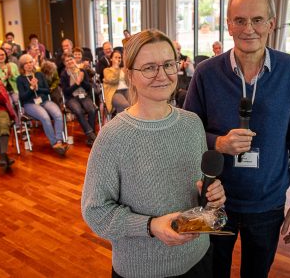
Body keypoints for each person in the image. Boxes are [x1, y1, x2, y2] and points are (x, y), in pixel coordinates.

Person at [184, 0, 290, 278]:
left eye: (257, 20)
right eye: (240, 20)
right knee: (214, 273)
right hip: (216, 199)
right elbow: (186, 135)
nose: (248, 28)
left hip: (267, 203)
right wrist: (219, 143)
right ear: (228, 25)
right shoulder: (206, 73)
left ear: (271, 23)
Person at [81, 29, 226, 278]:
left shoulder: (192, 123)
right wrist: (149, 226)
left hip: (198, 257)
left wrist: (212, 195)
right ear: (131, 75)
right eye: (149, 67)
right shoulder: (113, 136)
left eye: (169, 64)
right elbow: (95, 212)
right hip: (142, 269)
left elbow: (196, 190)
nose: (162, 75)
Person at [16, 54, 68, 155]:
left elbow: (47, 90)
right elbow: (22, 97)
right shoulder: (20, 79)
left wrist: (37, 88)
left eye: (30, 62)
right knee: (45, 117)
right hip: (29, 104)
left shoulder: (39, 75)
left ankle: (59, 141)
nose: (29, 65)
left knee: (58, 114)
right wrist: (31, 88)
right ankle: (54, 143)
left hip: (43, 101)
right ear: (22, 66)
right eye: (26, 63)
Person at [60, 54, 97, 146]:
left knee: (92, 110)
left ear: (74, 60)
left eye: (71, 59)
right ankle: (91, 135)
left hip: (83, 95)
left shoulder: (82, 71)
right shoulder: (64, 74)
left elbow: (88, 87)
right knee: (78, 111)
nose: (69, 61)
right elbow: (66, 92)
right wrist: (77, 83)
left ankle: (90, 138)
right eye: (67, 61)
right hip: (71, 98)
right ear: (65, 63)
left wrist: (82, 81)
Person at [0, 47, 20, 126]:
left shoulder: (12, 65)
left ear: (6, 55)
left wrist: (11, 76)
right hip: (1, 92)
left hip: (14, 90)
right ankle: (18, 124)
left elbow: (19, 79)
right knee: (10, 103)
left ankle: (23, 122)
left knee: (18, 102)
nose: (0, 57)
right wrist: (4, 78)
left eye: (2, 55)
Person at [102, 50, 129, 114]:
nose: (118, 59)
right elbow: (113, 81)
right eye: (116, 57)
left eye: (119, 57)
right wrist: (116, 68)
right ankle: (123, 122)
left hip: (127, 90)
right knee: (125, 105)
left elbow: (129, 82)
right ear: (111, 59)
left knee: (136, 104)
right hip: (114, 92)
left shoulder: (123, 69)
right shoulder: (107, 70)